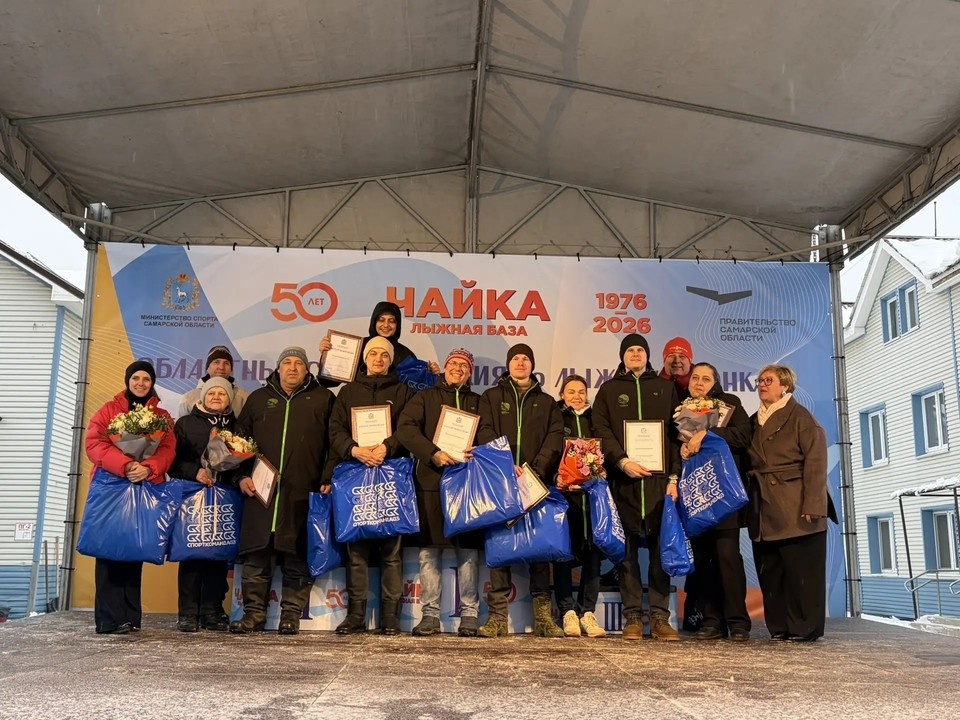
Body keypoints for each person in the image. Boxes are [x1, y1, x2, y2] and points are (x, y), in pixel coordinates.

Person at [230, 347, 335, 635]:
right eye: (287, 362)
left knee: (297, 554)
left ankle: (290, 614)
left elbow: (334, 442)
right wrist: (240, 477)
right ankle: (253, 614)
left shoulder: (324, 399)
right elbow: (237, 444)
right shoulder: (258, 399)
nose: (292, 367)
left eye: (299, 363)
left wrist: (327, 476)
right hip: (259, 493)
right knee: (256, 555)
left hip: (303, 491)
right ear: (278, 368)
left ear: (307, 369)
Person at [324, 336, 415, 635]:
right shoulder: (348, 392)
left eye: (384, 355)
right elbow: (334, 429)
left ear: (390, 360)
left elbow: (408, 428)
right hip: (356, 475)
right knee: (357, 550)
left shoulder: (403, 391)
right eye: (373, 353)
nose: (378, 358)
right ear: (364, 358)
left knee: (391, 551)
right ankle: (355, 615)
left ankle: (390, 617)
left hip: (391, 476)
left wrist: (388, 446)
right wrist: (353, 449)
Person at [592, 334, 681, 641]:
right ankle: (632, 616)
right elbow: (600, 428)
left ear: (647, 355)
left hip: (658, 483)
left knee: (660, 550)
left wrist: (673, 477)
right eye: (630, 350)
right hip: (624, 480)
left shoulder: (666, 388)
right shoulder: (610, 389)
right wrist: (621, 460)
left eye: (640, 350)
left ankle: (659, 616)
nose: (635, 354)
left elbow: (675, 435)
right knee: (626, 551)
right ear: (622, 356)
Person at [475, 343, 564, 638]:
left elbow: (555, 437)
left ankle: (543, 618)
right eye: (516, 358)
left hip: (535, 483)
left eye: (526, 358)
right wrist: (507, 463)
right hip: (501, 481)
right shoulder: (491, 397)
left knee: (540, 548)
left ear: (532, 364)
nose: (521, 362)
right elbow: (484, 430)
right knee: (500, 547)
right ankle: (498, 617)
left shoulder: (548, 402)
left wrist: (533, 469)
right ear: (508, 364)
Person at [395, 348, 483, 637]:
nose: (457, 368)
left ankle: (469, 614)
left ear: (470, 372)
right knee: (428, 552)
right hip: (430, 481)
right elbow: (405, 429)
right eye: (453, 363)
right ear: (444, 368)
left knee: (468, 551)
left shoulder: (478, 402)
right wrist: (433, 453)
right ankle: (430, 615)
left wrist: (478, 451)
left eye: (463, 365)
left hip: (468, 485)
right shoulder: (424, 398)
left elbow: (491, 436)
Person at [747, 364, 837, 642]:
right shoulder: (753, 420)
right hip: (764, 506)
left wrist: (814, 505)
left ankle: (805, 627)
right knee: (772, 570)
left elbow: (816, 462)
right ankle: (780, 626)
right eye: (760, 380)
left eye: (769, 380)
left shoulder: (801, 417)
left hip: (796, 504)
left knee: (802, 571)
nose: (762, 385)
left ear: (785, 386)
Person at [84, 360, 176, 634]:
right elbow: (93, 443)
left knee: (134, 550)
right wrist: (124, 465)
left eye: (146, 379)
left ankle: (129, 618)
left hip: (142, 486)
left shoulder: (162, 416)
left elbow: (169, 448)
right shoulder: (109, 410)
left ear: (152, 383)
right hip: (112, 487)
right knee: (109, 550)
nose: (140, 383)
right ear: (128, 381)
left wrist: (147, 467)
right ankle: (108, 619)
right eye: (135, 378)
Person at [679, 362, 752, 641]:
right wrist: (683, 448)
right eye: (695, 377)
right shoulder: (681, 408)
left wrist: (707, 434)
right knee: (704, 560)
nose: (699, 382)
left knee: (728, 557)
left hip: (723, 492)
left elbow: (744, 435)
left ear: (715, 383)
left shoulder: (729, 404)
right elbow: (674, 445)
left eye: (706, 378)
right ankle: (712, 621)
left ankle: (738, 622)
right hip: (696, 493)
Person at [170, 376, 245, 633]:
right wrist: (195, 473)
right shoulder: (185, 423)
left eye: (222, 394)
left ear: (229, 399)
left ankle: (212, 611)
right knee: (192, 553)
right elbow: (173, 461)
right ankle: (188, 613)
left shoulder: (237, 425)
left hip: (224, 496)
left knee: (217, 554)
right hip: (193, 496)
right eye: (211, 393)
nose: (216, 397)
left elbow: (243, 462)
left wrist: (231, 475)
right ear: (202, 397)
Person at [552, 374, 606, 638]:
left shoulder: (596, 420)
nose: (576, 396)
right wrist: (557, 477)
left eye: (581, 391)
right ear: (562, 394)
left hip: (592, 500)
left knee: (593, 556)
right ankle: (566, 611)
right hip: (565, 498)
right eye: (570, 391)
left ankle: (587, 611)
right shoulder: (555, 419)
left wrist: (604, 472)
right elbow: (550, 453)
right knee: (564, 555)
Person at [318, 301, 440, 385]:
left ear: (397, 325)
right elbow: (328, 382)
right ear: (373, 322)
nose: (386, 325)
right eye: (381, 320)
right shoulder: (356, 346)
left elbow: (416, 388)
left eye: (391, 321)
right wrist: (327, 355)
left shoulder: (405, 355)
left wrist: (428, 374)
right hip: (357, 407)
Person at [178, 345, 248, 419]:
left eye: (226, 363)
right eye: (216, 362)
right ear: (207, 368)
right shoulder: (188, 399)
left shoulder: (244, 398)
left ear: (231, 370)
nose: (221, 367)